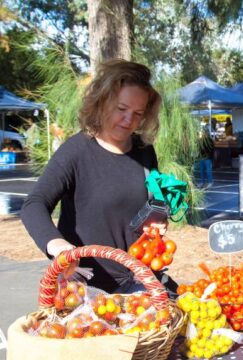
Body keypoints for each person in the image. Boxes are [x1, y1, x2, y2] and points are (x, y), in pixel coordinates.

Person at [21, 59, 169, 294]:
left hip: (139, 281)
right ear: (102, 101)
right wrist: (57, 245)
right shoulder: (76, 150)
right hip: (87, 288)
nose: (128, 120)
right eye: (121, 109)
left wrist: (156, 224)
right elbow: (34, 204)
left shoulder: (144, 151)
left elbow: (150, 204)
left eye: (138, 113)